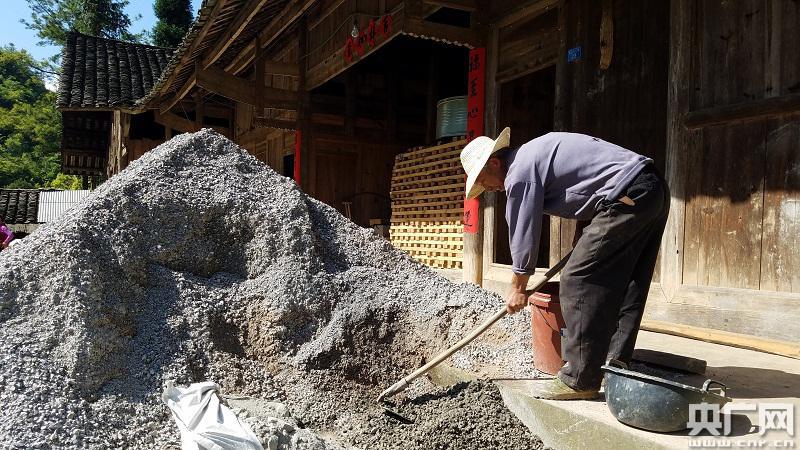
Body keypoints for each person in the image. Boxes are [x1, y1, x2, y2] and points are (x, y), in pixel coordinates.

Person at [460, 128, 669, 400]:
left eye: (484, 180)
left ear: (495, 163)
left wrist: (518, 286)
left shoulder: (519, 172)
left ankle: (580, 379)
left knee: (577, 279)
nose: (489, 189)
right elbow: (590, 191)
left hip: (626, 196)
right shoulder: (535, 155)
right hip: (651, 190)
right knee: (629, 281)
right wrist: (583, 243)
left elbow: (523, 230)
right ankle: (616, 366)